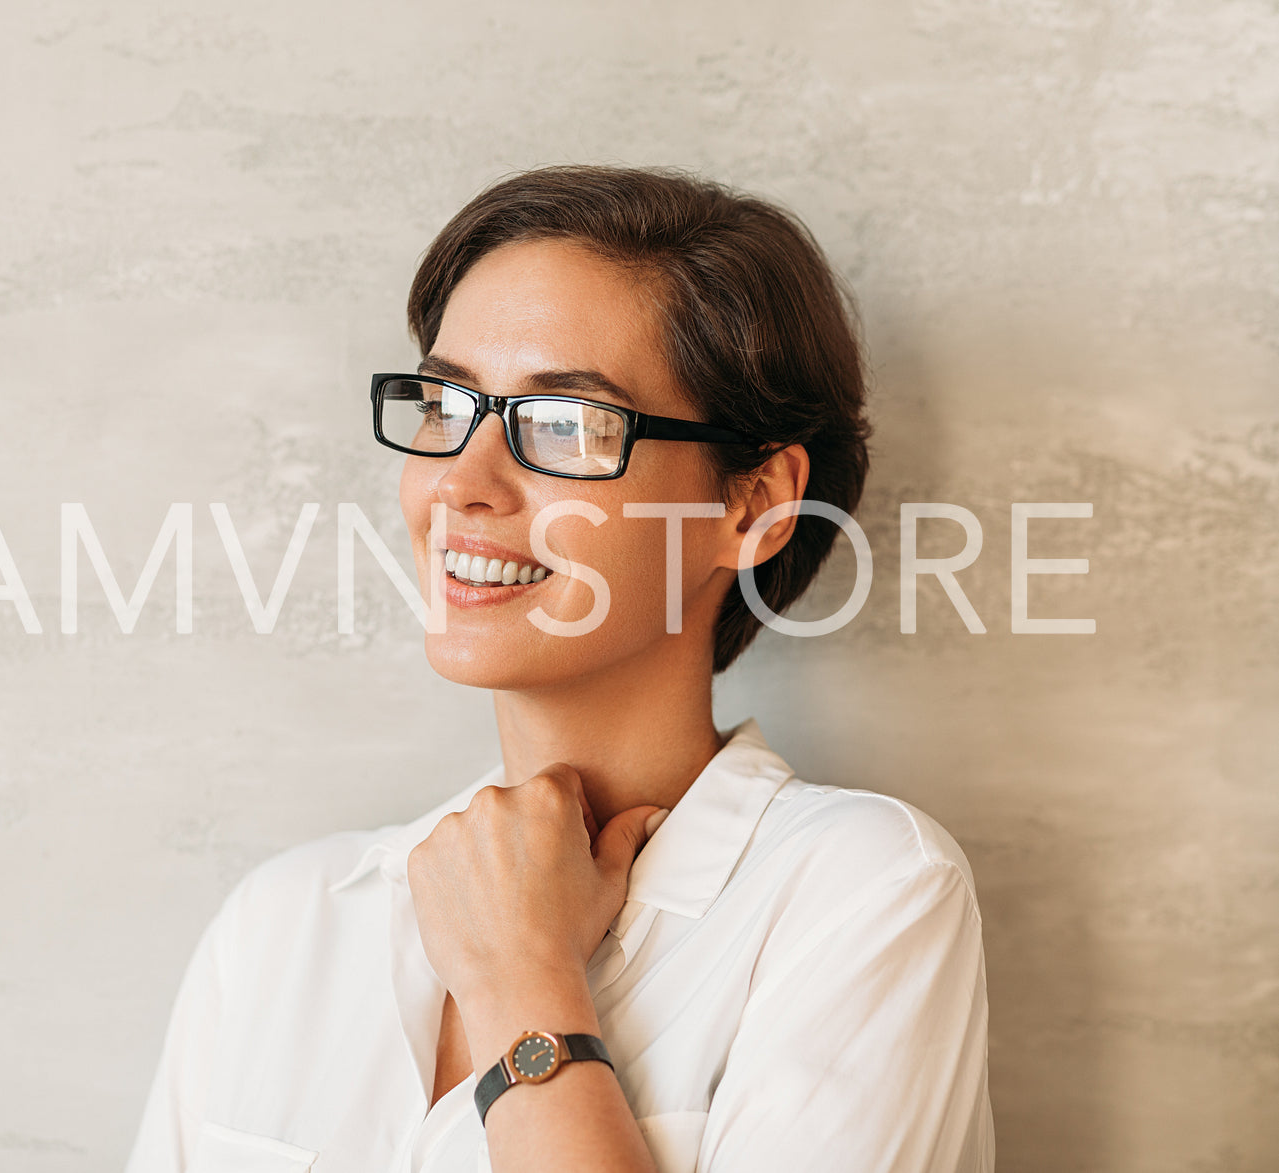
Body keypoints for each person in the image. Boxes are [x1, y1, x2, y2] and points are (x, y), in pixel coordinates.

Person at [124, 166, 994, 1173]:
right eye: (445, 402)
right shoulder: (284, 926)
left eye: (565, 426)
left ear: (750, 505)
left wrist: (521, 989)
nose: (459, 484)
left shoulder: (856, 893)